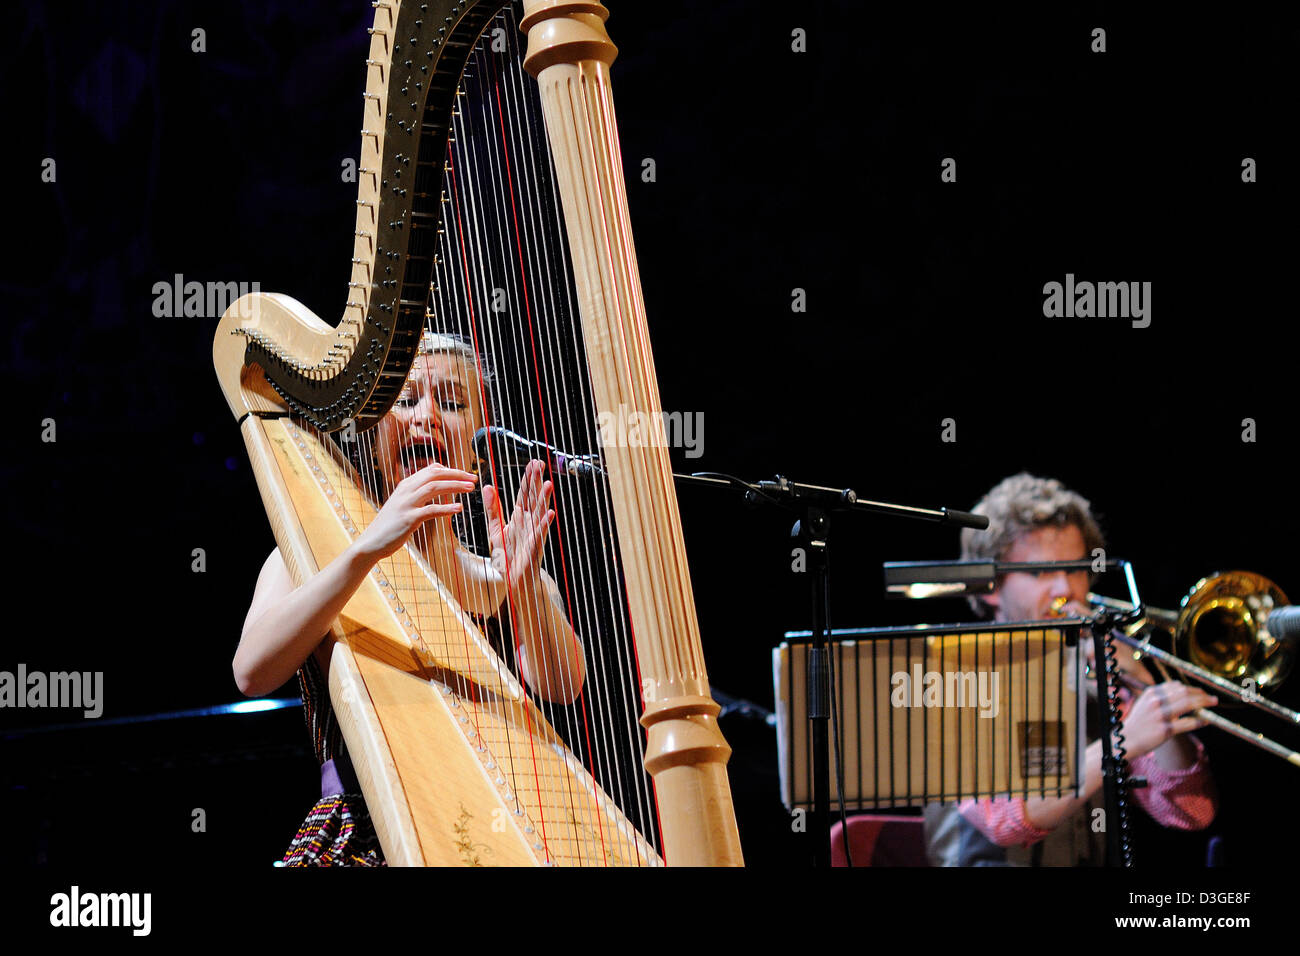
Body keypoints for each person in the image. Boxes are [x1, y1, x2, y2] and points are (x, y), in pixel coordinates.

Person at [232, 330, 585, 866]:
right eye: (407, 400)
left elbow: (563, 687)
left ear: (477, 442)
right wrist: (366, 549)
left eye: (453, 403)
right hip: (365, 837)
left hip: (498, 833)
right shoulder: (312, 554)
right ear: (371, 429)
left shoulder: (506, 572)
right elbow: (251, 672)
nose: (428, 418)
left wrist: (526, 585)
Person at [923, 473, 1218, 866]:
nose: (1065, 588)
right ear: (990, 584)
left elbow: (1189, 813)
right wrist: (1121, 742)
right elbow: (1007, 820)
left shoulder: (1095, 675)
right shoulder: (953, 677)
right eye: (1041, 571)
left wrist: (1143, 683)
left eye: (1077, 568)